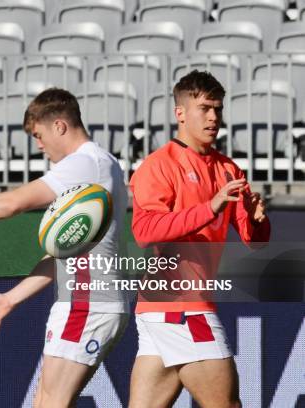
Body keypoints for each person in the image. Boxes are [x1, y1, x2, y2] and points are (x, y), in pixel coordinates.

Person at [0, 88, 130, 408]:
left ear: (59, 125)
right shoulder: (102, 164)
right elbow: (59, 258)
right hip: (84, 301)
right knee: (44, 403)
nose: (38, 145)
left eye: (38, 134)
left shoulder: (85, 164)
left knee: (52, 404)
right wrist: (9, 299)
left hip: (86, 302)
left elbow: (13, 203)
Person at [128, 70, 270, 408]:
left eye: (218, 109)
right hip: (181, 307)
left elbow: (255, 241)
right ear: (180, 113)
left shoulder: (228, 169)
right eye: (204, 108)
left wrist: (256, 220)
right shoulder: (158, 165)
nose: (213, 117)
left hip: (162, 309)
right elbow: (144, 231)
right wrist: (210, 207)